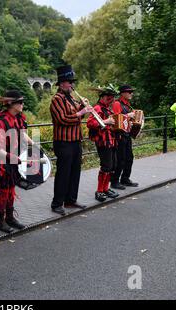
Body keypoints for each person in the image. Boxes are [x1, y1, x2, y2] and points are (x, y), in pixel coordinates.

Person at [0, 90, 32, 233]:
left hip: (12, 157)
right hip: (0, 159)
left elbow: (23, 136)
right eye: (20, 102)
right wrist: (12, 157)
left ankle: (10, 217)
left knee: (11, 188)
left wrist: (36, 147)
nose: (23, 104)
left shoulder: (19, 118)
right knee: (4, 191)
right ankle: (0, 221)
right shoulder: (1, 122)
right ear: (11, 104)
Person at [50, 65, 93, 215]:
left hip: (75, 140)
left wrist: (83, 106)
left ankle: (70, 200)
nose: (72, 85)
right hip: (63, 142)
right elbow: (62, 119)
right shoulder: (57, 99)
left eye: (72, 82)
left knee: (75, 171)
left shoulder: (72, 98)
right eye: (70, 82)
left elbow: (77, 116)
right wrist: (81, 111)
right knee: (63, 173)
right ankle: (57, 204)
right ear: (62, 83)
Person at [87, 85, 120, 202]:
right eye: (108, 97)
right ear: (103, 97)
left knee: (112, 166)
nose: (110, 99)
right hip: (103, 141)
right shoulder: (97, 108)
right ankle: (99, 191)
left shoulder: (108, 109)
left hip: (112, 140)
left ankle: (106, 189)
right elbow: (90, 123)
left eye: (111, 98)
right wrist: (106, 121)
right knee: (106, 166)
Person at [111, 85, 139, 189]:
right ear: (123, 93)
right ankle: (114, 181)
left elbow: (127, 120)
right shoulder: (117, 103)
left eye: (131, 92)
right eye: (129, 92)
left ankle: (125, 178)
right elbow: (116, 118)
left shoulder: (128, 105)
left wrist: (134, 123)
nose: (131, 93)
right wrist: (128, 116)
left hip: (127, 134)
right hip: (119, 135)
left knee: (129, 158)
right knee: (120, 158)